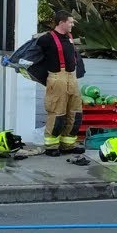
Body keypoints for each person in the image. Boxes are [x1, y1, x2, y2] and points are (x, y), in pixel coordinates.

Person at [37, 10, 85, 156]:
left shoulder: (69, 37)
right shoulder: (46, 39)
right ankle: (51, 147)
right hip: (57, 79)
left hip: (72, 78)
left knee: (75, 113)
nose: (72, 24)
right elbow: (34, 52)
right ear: (61, 22)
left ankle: (68, 145)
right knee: (57, 113)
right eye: (70, 22)